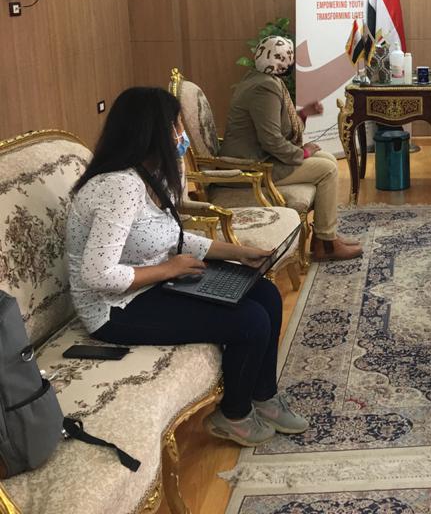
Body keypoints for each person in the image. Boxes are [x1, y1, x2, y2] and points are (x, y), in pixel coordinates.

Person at [64, 87, 309, 448]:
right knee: (250, 321)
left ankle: (264, 396)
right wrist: (169, 270)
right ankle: (234, 415)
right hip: (114, 309)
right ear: (150, 133)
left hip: (152, 283)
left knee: (266, 294)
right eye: (176, 127)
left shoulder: (149, 175)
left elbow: (171, 238)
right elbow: (97, 275)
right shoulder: (118, 187)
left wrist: (238, 252)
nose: (183, 136)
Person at [220, 35, 361, 260]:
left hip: (261, 157)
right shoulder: (264, 87)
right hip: (253, 166)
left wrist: (303, 114)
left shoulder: (259, 78)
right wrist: (302, 153)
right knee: (328, 169)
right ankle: (326, 243)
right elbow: (271, 140)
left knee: (327, 158)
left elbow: (277, 125)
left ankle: (324, 236)